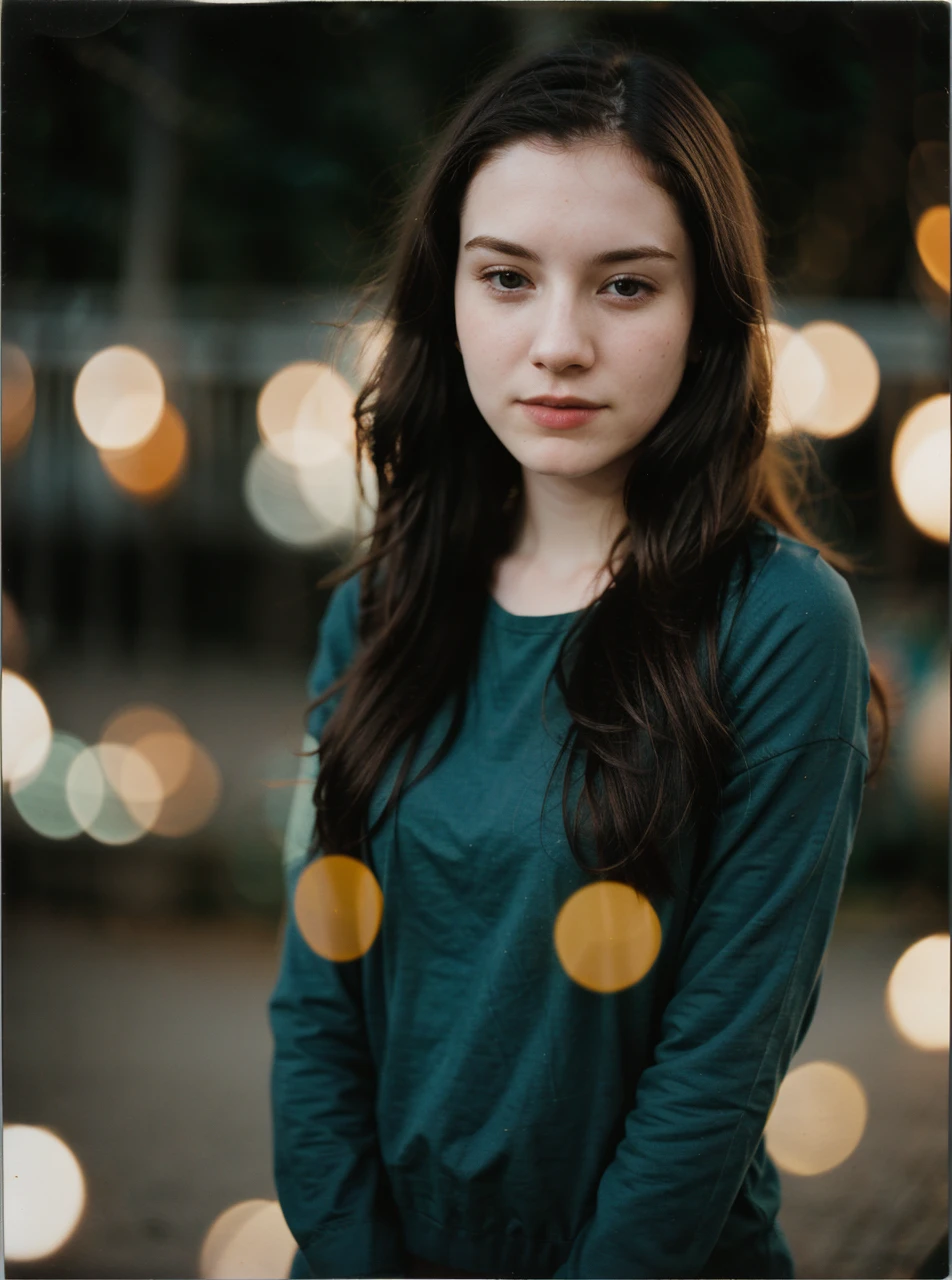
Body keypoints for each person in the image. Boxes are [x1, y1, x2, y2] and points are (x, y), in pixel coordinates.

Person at [268, 39, 889, 1280]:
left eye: (623, 286)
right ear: (446, 293)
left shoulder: (781, 627)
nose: (557, 342)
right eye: (506, 277)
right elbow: (316, 1001)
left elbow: (719, 1062)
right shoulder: (382, 603)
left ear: (708, 311)